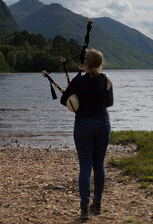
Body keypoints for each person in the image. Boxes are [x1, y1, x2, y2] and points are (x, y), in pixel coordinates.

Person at [60, 49, 113, 220]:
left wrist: (76, 96)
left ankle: (84, 209)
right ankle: (97, 205)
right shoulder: (106, 80)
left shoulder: (78, 81)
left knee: (85, 166)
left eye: (84, 60)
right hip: (103, 125)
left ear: (86, 63)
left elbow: (63, 100)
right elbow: (109, 103)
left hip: (83, 125)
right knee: (99, 166)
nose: (82, 61)